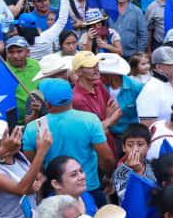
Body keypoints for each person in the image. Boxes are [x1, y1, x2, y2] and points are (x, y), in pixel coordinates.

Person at [22, 79, 115, 210]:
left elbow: (34, 162)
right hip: (89, 188)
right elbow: (106, 158)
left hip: (55, 191)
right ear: (71, 97)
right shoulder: (90, 120)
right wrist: (109, 175)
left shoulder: (32, 128)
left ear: (47, 103)